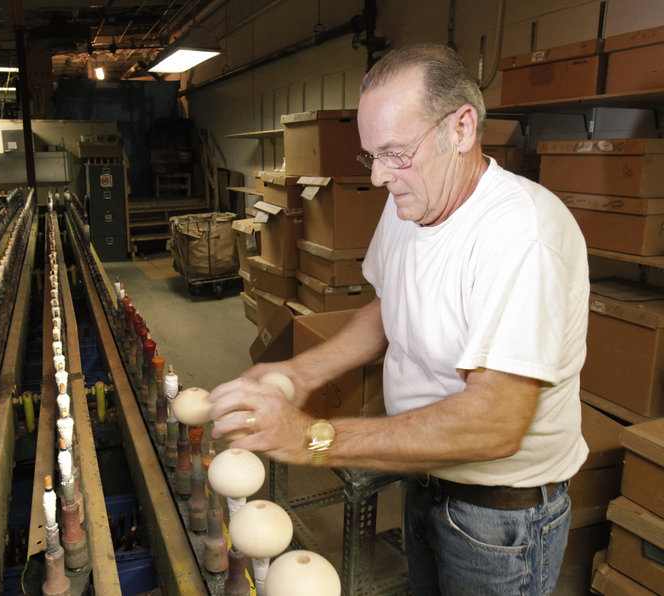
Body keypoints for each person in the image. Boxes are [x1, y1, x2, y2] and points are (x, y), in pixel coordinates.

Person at [208, 43, 589, 595]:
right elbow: (389, 308)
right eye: (372, 156)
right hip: (425, 477)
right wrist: (299, 375)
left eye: (395, 152)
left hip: (499, 521)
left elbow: (496, 421)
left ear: (460, 130)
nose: (381, 177)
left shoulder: (521, 235)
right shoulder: (412, 197)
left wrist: (313, 438)